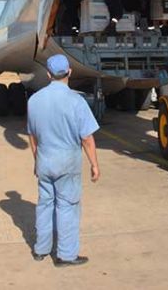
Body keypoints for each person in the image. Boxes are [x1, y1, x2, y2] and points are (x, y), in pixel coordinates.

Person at [27, 54, 100, 266]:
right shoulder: (76, 101)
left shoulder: (34, 101)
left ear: (48, 74)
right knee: (67, 206)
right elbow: (87, 138)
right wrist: (94, 164)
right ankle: (66, 255)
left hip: (44, 160)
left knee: (44, 205)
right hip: (67, 162)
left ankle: (41, 249)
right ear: (69, 72)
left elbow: (33, 136)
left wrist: (37, 161)